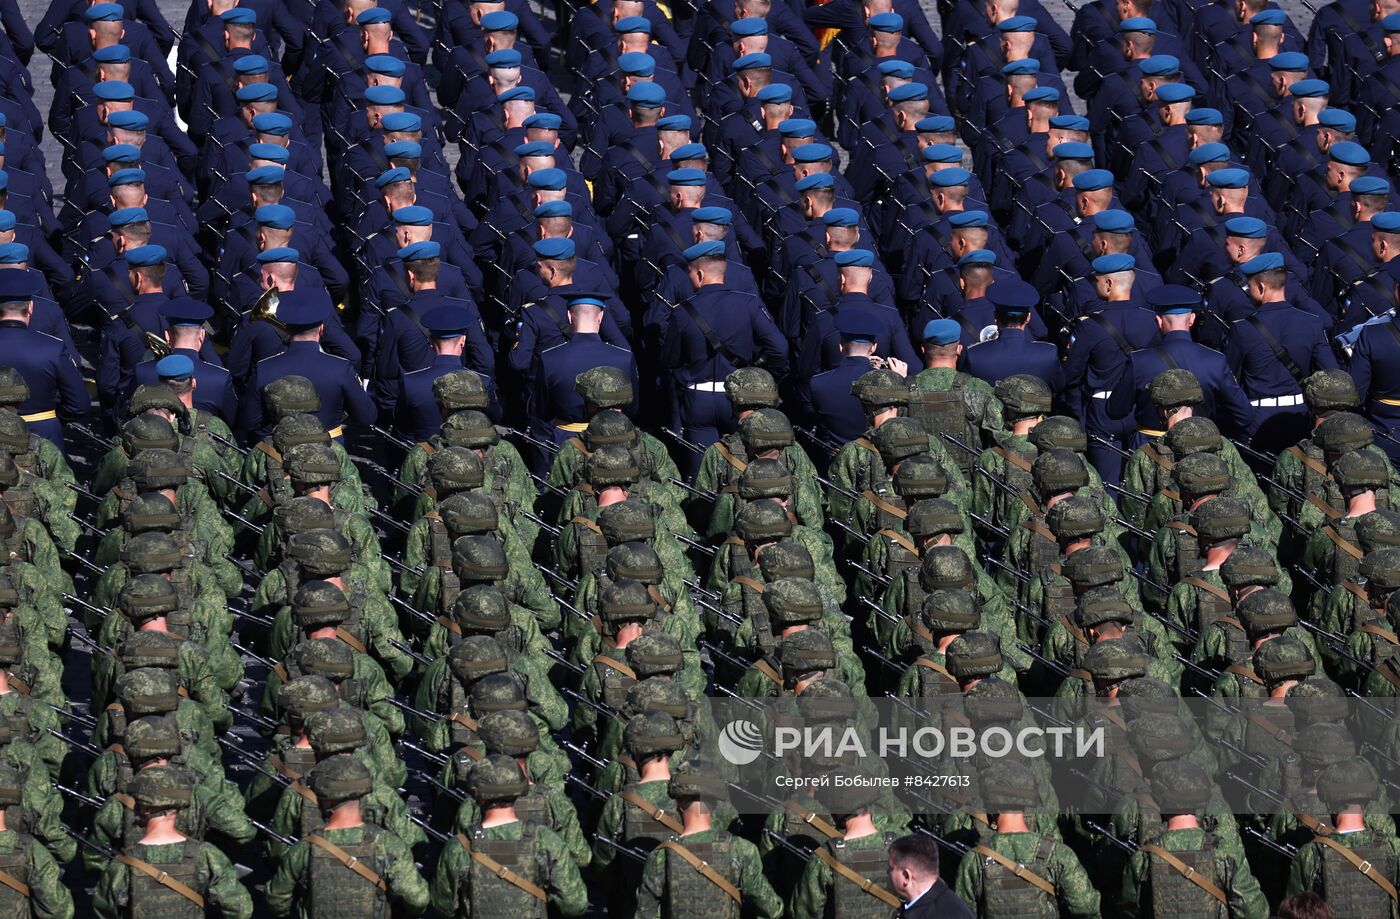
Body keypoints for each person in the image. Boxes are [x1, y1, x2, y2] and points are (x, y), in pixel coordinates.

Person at [885, 833, 974, 919]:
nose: (887, 872)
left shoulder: (938, 914)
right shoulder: (941, 903)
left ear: (906, 876)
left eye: (891, 868)